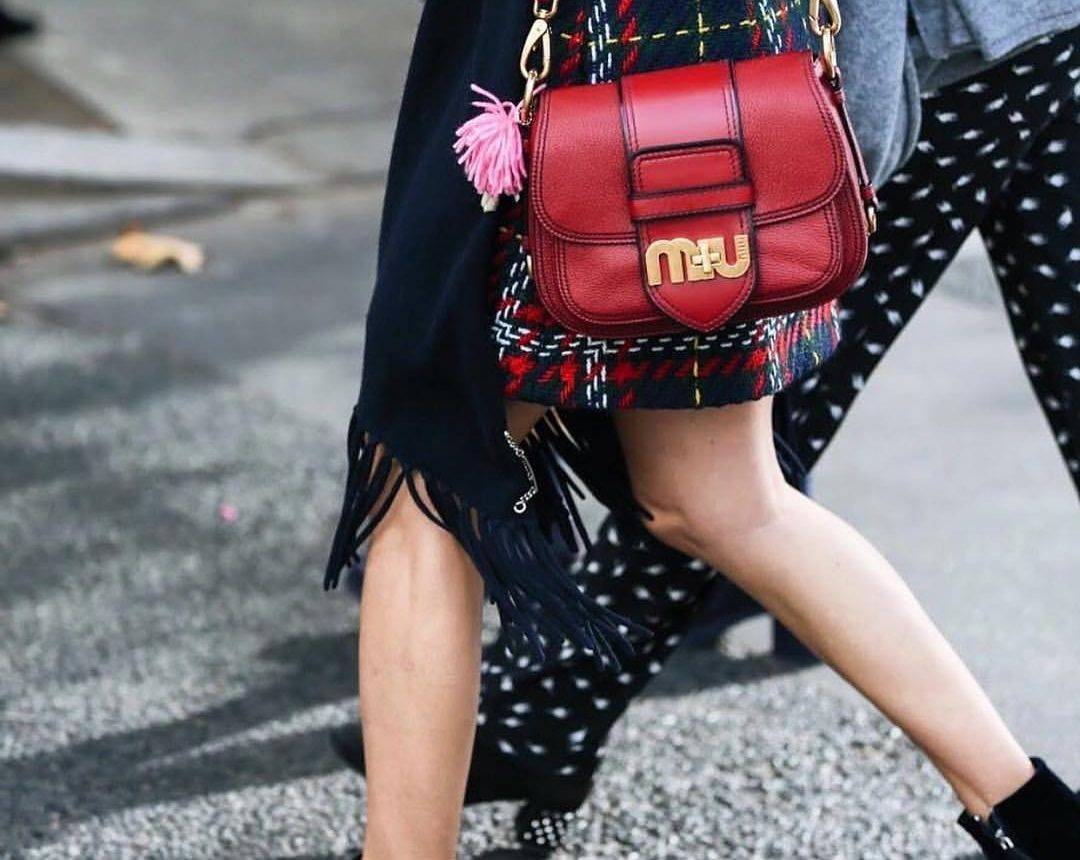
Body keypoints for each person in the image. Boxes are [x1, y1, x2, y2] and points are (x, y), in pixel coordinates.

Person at [322, 2, 1080, 857]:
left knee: (431, 491)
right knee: (721, 499)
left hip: (582, 72)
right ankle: (1039, 820)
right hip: (719, 71)